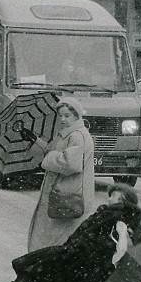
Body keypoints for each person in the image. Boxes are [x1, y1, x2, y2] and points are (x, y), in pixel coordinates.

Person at [0, 183, 141, 282]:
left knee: (46, 275)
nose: (109, 198)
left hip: (87, 264)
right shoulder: (108, 213)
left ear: (123, 199)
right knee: (38, 269)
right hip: (75, 255)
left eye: (114, 196)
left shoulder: (121, 217)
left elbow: (118, 247)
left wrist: (117, 239)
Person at [24, 97, 95, 252]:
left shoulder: (76, 136)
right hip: (65, 196)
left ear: (76, 115)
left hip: (67, 197)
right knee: (55, 240)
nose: (62, 119)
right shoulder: (68, 134)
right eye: (61, 115)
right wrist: (35, 141)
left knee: (56, 240)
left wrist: (48, 158)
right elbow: (54, 151)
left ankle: (42, 266)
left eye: (67, 116)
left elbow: (70, 163)